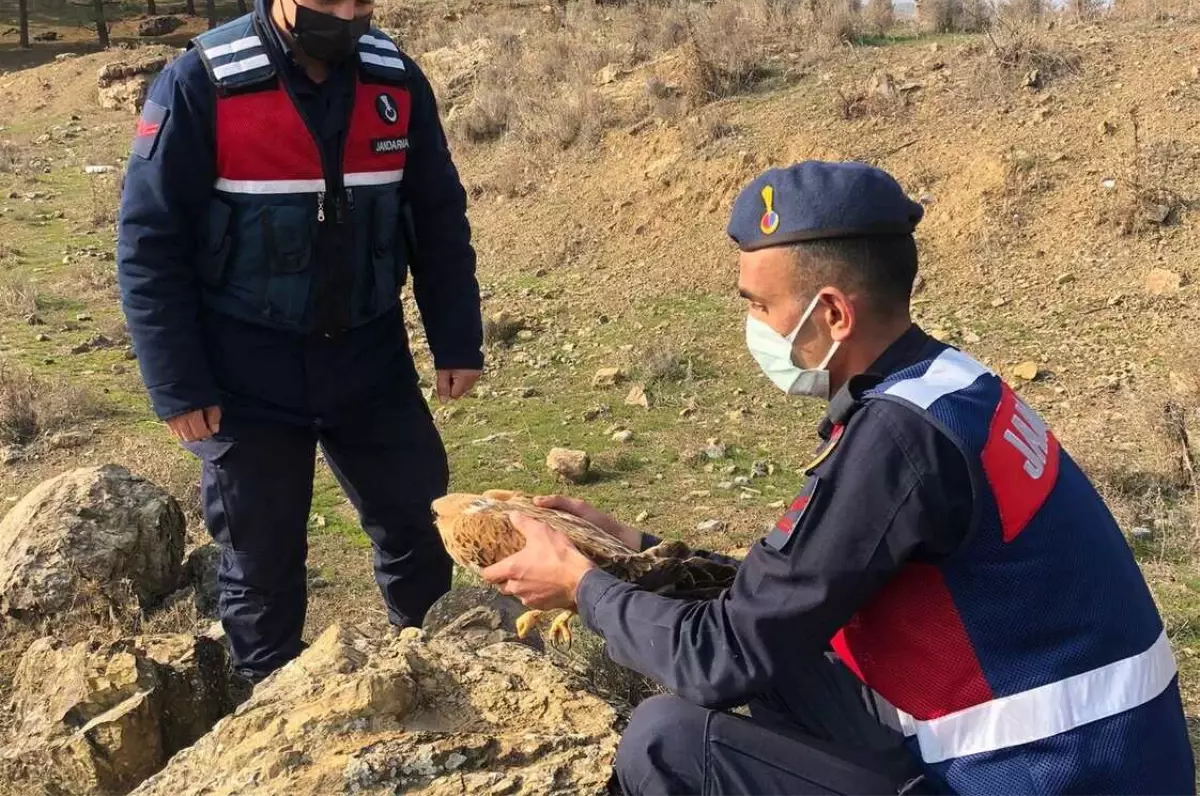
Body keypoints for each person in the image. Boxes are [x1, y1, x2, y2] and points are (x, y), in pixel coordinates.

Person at [482, 161, 1195, 796]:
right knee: (780, 664)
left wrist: (582, 586)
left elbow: (718, 660)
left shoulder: (896, 441)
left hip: (1041, 772)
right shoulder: (947, 388)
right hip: (1088, 754)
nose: (753, 326)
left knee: (666, 744)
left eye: (759, 306)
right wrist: (634, 553)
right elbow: (784, 601)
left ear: (831, 314)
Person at [116, 0, 483, 681]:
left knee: (420, 533)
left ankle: (433, 681)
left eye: (364, 3)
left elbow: (437, 217)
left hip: (370, 358)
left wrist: (457, 336)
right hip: (245, 370)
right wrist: (176, 384)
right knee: (261, 563)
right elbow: (150, 242)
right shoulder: (202, 83)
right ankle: (267, 715)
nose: (345, 19)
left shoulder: (396, 81)